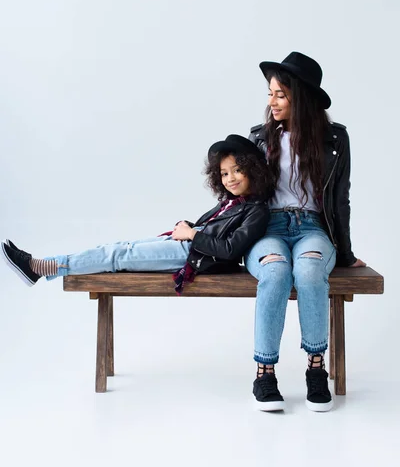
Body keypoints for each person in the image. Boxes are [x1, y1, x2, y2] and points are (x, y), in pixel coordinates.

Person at [2, 135, 272, 295]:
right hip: (185, 245)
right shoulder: (232, 203)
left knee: (118, 257)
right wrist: (190, 226)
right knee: (117, 248)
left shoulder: (256, 210)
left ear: (252, 170)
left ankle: (39, 267)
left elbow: (228, 248)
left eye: (237, 170)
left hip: (191, 255)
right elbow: (212, 229)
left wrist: (191, 234)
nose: (230, 178)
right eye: (224, 173)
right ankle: (41, 267)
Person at [246, 51, 366, 412]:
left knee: (311, 270)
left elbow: (340, 200)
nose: (272, 102)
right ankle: (264, 372)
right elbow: (240, 197)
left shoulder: (334, 139)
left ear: (301, 96)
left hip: (313, 228)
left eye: (280, 94)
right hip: (268, 227)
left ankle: (316, 369)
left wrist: (344, 255)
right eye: (270, 94)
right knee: (275, 270)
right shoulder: (259, 138)